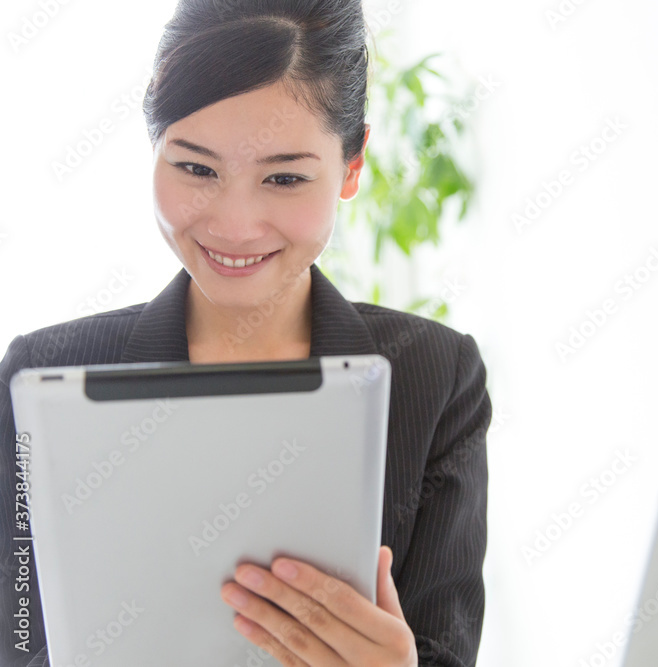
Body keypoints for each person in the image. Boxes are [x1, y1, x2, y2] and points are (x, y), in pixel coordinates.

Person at [0, 1, 491, 665]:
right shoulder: (45, 378)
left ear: (351, 166)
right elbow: (17, 641)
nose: (234, 226)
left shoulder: (435, 378)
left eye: (284, 177)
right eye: (196, 169)